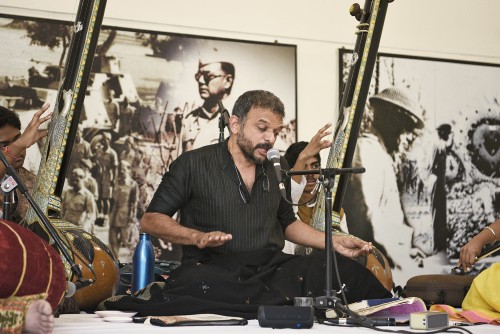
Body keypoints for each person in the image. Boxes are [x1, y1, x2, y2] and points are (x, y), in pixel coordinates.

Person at [99, 90, 391, 319]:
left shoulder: (275, 168)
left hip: (270, 269)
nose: (270, 138)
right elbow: (150, 220)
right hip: (213, 269)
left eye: (275, 131)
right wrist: (196, 237)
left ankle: (392, 312)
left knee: (340, 269)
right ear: (235, 124)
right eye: (262, 128)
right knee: (205, 285)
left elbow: (288, 224)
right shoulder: (193, 164)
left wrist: (333, 242)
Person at [342, 86, 426, 283]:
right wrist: (399, 261)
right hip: (375, 269)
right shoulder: (367, 151)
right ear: (392, 122)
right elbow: (368, 219)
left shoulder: (380, 153)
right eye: (404, 129)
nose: (406, 138)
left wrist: (406, 249)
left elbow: (387, 219)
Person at [0, 105, 51, 222]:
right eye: (4, 145)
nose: (19, 149)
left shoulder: (34, 183)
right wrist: (19, 144)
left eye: (18, 139)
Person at [182, 61, 235, 151]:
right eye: (198, 76)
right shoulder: (189, 119)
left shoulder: (240, 119)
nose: (201, 81)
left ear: (227, 81)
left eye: (208, 76)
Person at [426, 123, 453, 253]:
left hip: (440, 179)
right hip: (436, 179)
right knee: (437, 213)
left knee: (441, 212)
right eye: (447, 133)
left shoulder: (440, 144)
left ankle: (440, 245)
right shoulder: (436, 145)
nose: (448, 135)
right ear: (442, 133)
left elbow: (448, 147)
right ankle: (437, 246)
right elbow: (431, 165)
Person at [109, 160, 138, 258]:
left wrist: (132, 216)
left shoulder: (133, 185)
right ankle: (115, 260)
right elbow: (112, 199)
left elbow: (134, 202)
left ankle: (126, 261)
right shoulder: (117, 182)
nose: (121, 171)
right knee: (112, 239)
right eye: (120, 169)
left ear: (128, 170)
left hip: (125, 215)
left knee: (125, 241)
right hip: (114, 213)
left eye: (124, 169)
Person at [60, 168, 96, 234]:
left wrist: (84, 228)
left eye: (77, 180)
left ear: (82, 179)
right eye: (73, 180)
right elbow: (62, 210)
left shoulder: (88, 196)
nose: (74, 182)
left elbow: (91, 215)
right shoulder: (67, 193)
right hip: (65, 226)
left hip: (79, 228)